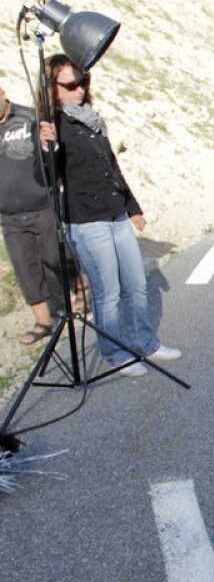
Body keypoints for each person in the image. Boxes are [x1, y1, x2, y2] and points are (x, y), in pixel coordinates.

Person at [45, 54, 180, 376]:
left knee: (136, 283)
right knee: (109, 292)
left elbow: (111, 166)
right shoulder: (52, 128)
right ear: (52, 88)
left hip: (115, 214)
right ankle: (115, 353)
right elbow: (47, 179)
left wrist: (133, 208)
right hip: (85, 221)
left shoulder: (93, 120)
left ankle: (146, 343)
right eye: (70, 85)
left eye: (83, 82)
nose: (79, 90)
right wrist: (46, 148)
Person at [0, 84, 70, 345]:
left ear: (3, 93)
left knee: (55, 257)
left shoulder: (29, 117)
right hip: (9, 214)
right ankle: (43, 322)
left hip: (42, 204)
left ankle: (80, 286)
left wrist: (47, 144)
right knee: (25, 267)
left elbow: (52, 155)